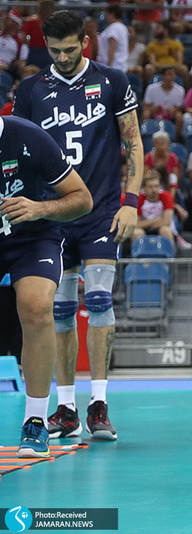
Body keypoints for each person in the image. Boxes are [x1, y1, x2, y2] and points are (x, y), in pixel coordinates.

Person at [14, 12, 143, 442]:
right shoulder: (31, 90)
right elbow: (21, 148)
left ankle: (99, 404)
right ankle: (66, 408)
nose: (63, 57)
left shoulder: (112, 81)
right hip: (53, 211)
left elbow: (133, 142)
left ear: (85, 42)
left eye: (70, 49)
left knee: (100, 299)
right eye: (55, 51)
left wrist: (131, 202)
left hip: (102, 208)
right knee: (61, 308)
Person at [0, 115, 93, 457]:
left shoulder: (29, 138)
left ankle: (35, 421)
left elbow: (82, 199)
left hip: (33, 237)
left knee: (36, 305)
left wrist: (39, 208)